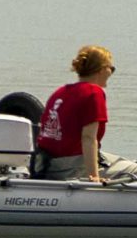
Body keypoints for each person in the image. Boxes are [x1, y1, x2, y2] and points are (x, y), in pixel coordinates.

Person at [36, 45, 121, 181]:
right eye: (111, 68)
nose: (111, 72)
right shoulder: (94, 92)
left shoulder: (60, 92)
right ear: (101, 70)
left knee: (118, 160)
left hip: (49, 164)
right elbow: (88, 138)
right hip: (73, 167)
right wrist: (94, 177)